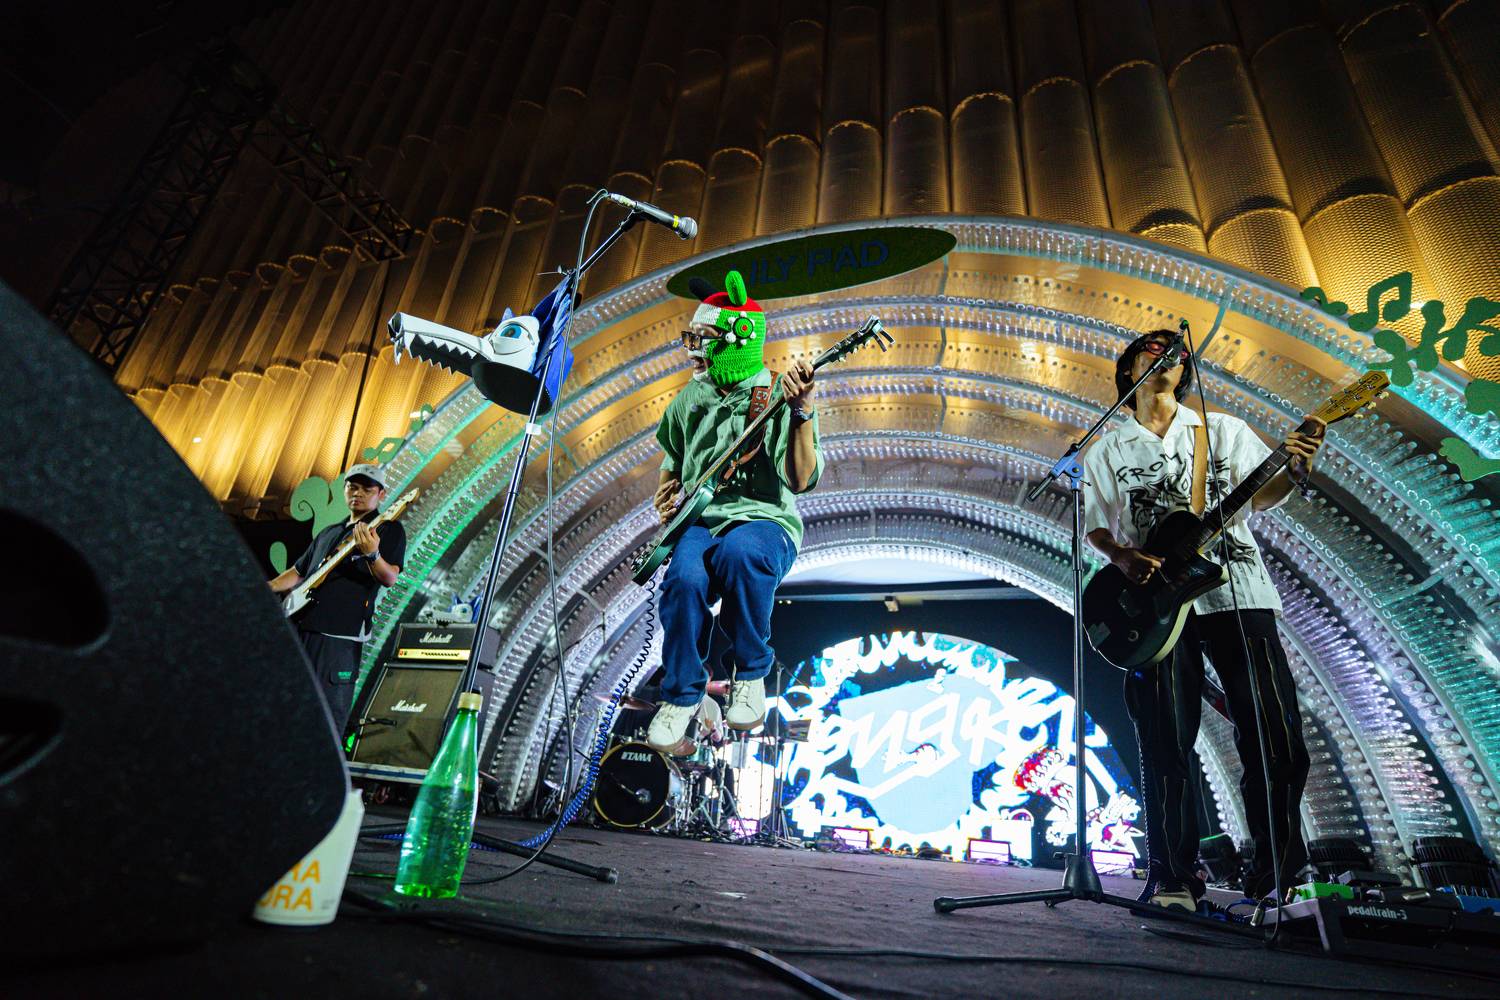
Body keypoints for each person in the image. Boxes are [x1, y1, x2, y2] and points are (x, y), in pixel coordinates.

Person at [1080, 330, 1322, 911]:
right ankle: (1172, 878)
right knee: (1166, 741)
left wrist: (1294, 468)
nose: (1168, 355)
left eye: (1178, 351)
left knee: (1275, 736)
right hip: (1157, 608)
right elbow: (1096, 526)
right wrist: (1122, 556)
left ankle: (1277, 877)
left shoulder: (1222, 430)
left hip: (1239, 592)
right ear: (1128, 368)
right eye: (1153, 347)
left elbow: (1263, 494)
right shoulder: (1107, 449)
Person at [646, 270, 823, 755]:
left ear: (737, 338)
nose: (692, 351)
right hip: (703, 521)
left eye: (701, 340)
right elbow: (672, 462)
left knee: (741, 553)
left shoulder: (775, 393)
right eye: (690, 339)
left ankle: (750, 673)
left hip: (764, 521)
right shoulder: (687, 400)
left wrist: (802, 412)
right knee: (683, 581)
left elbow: (801, 479)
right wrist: (665, 496)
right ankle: (681, 695)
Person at [269, 463, 406, 734]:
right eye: (352, 487)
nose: (358, 493)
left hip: (338, 638)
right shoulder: (330, 531)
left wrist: (373, 554)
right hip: (302, 628)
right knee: (289, 707)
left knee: (326, 716)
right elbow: (299, 572)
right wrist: (267, 586)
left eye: (367, 489)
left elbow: (390, 577)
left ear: (381, 494)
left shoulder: (388, 529)